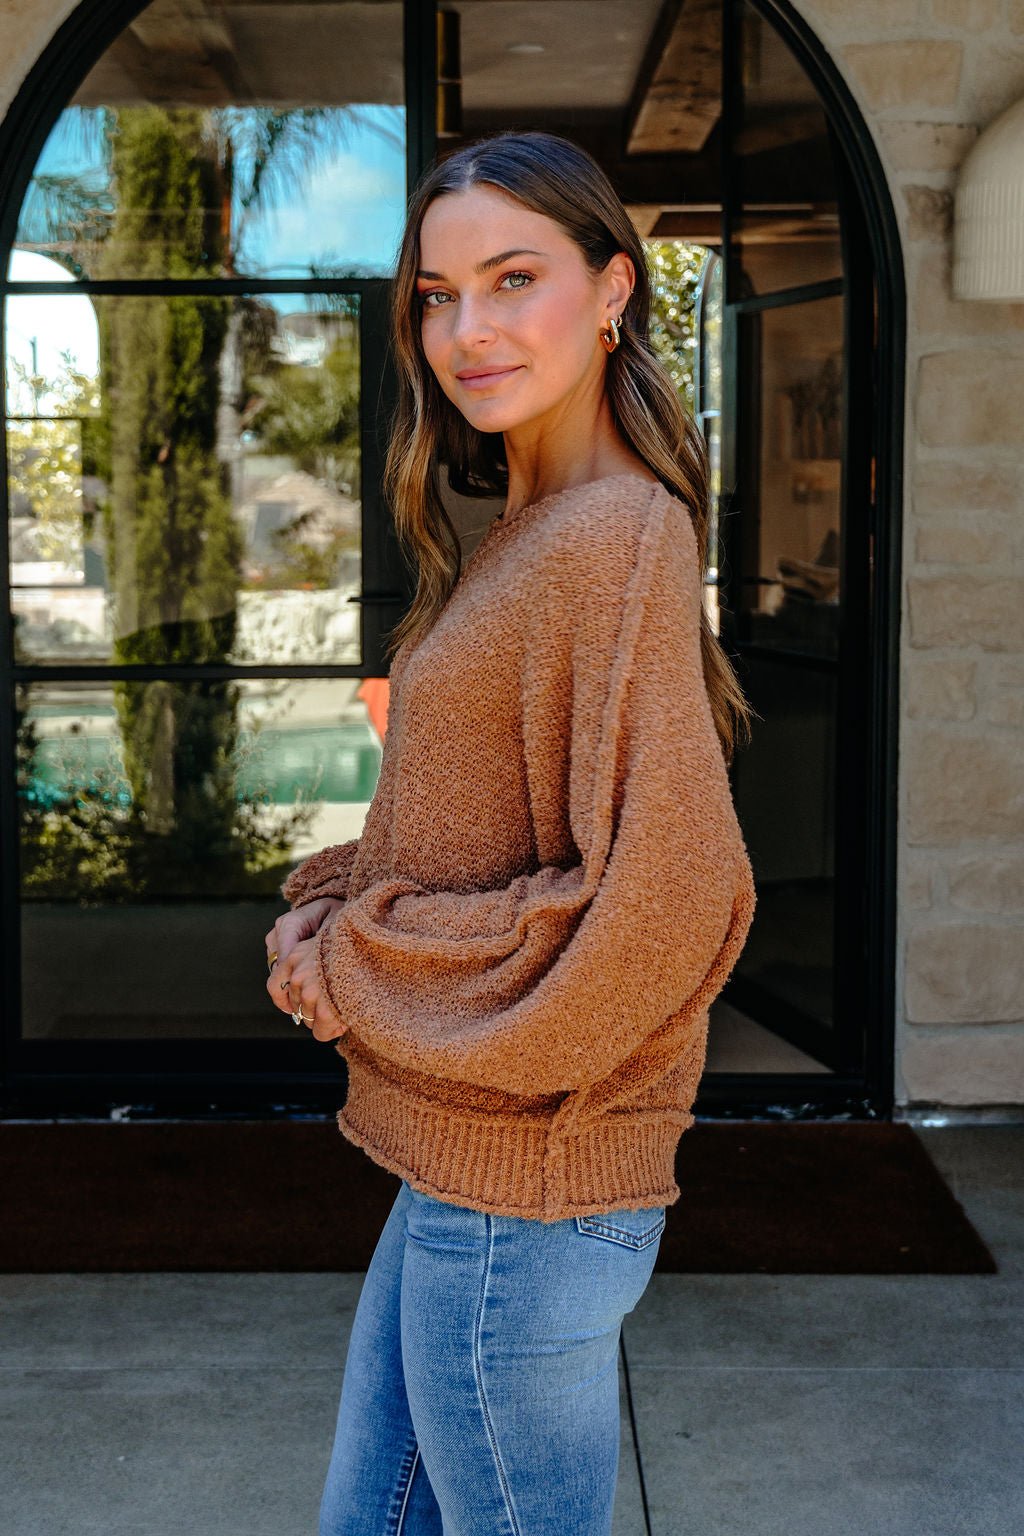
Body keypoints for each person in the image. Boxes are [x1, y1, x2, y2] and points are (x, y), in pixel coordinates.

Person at [264, 130, 757, 1536]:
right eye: (436, 295)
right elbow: (469, 840)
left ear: (614, 288)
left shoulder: (615, 535)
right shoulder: (529, 530)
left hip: (529, 1196)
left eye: (514, 278)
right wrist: (335, 908)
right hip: (473, 1171)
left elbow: (670, 899)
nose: (465, 331)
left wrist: (353, 960)